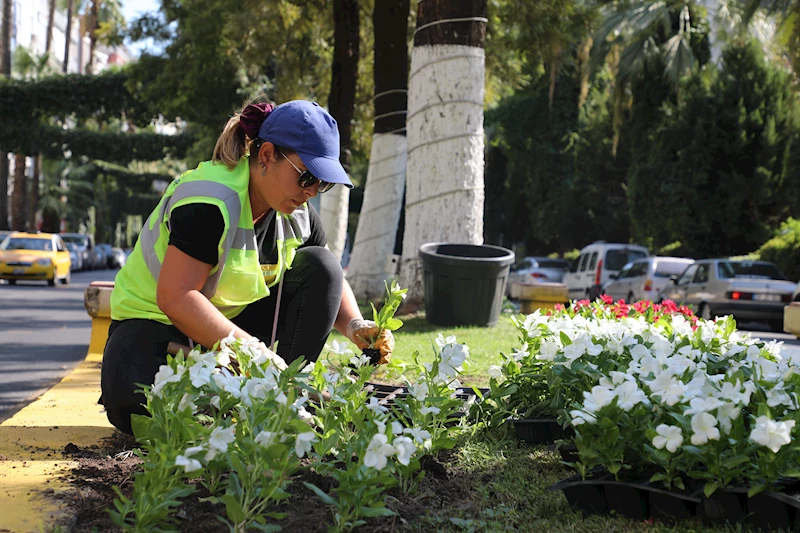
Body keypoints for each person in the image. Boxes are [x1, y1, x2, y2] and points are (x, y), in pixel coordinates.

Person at [101, 100, 394, 435]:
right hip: (155, 325)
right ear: (267, 155)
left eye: (323, 183)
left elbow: (328, 278)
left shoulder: (297, 211)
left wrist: (356, 324)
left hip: (226, 331)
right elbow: (177, 297)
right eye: (308, 176)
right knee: (135, 400)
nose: (312, 192)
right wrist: (252, 353)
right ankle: (267, 396)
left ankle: (287, 394)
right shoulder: (209, 200)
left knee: (322, 264)